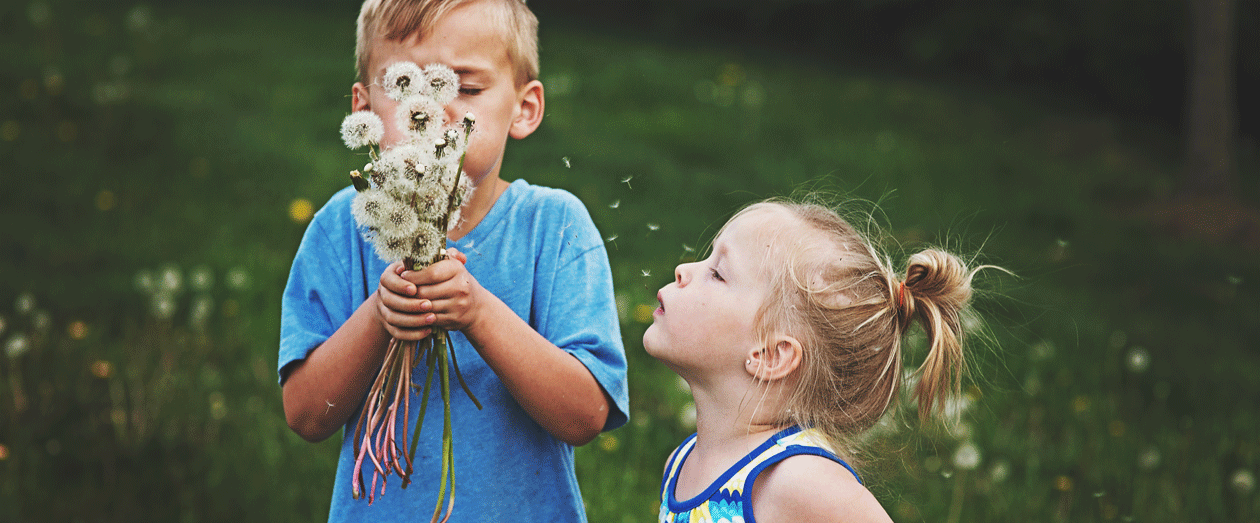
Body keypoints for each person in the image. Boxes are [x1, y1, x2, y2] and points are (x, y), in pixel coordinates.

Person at [277, 1, 628, 521]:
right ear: (363, 108)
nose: (434, 109)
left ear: (524, 108)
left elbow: (584, 415)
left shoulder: (554, 227)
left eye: (465, 87)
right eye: (402, 87)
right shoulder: (341, 228)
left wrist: (479, 313)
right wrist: (379, 315)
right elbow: (306, 414)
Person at [645, 198, 997, 522]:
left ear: (771, 355)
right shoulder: (682, 463)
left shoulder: (798, 480)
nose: (682, 269)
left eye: (718, 273)